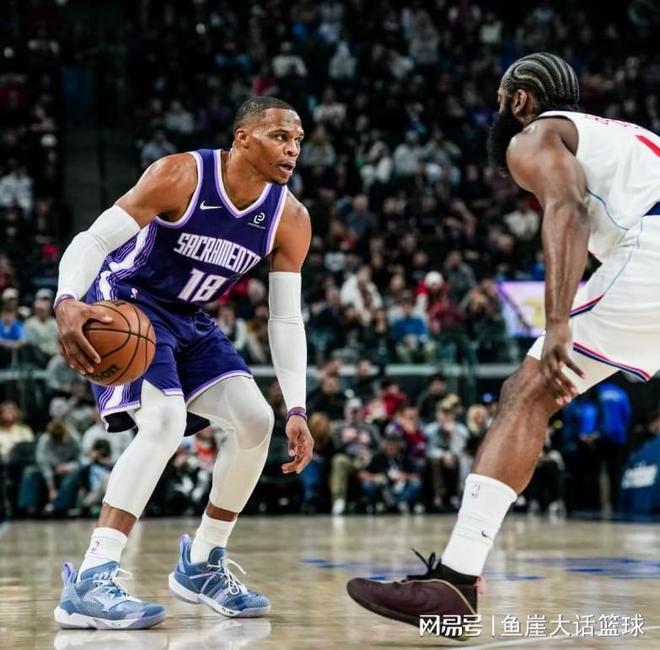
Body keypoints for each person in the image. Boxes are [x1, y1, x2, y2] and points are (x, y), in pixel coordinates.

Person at [346, 51, 660, 635]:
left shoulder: (534, 134)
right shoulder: (625, 137)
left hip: (652, 253)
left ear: (519, 101)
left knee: (529, 389)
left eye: (500, 101)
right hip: (645, 248)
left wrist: (558, 319)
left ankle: (455, 584)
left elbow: (566, 208)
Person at [52, 96, 314, 629]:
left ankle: (202, 564)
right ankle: (93, 578)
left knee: (255, 421)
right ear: (243, 138)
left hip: (189, 319)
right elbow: (94, 239)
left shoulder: (289, 218)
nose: (292, 149)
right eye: (280, 137)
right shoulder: (181, 175)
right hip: (128, 305)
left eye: (297, 141)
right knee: (164, 421)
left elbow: (286, 318)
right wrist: (66, 299)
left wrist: (298, 407)